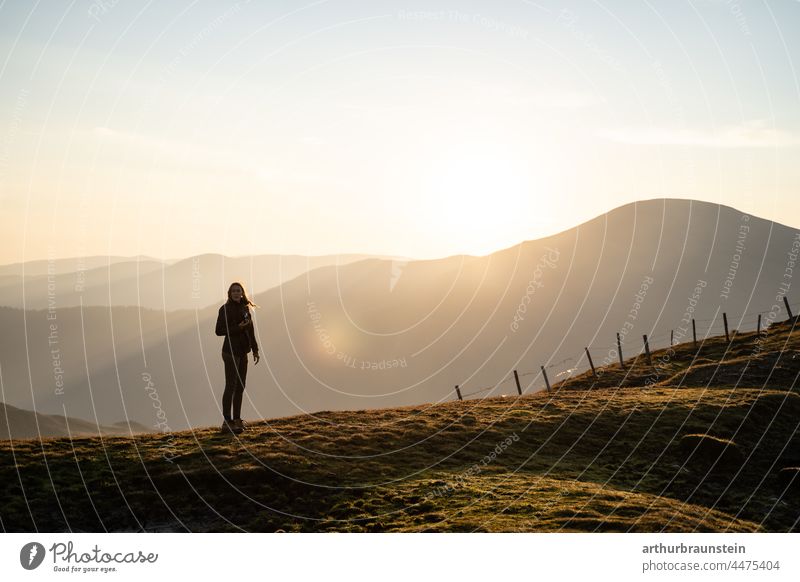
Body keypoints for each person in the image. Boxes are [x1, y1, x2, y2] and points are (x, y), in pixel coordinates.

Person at [215, 281, 260, 434]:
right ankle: (227, 422)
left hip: (243, 352)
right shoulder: (225, 309)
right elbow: (218, 331)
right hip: (230, 352)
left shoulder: (245, 308)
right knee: (230, 386)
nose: (236, 293)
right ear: (229, 293)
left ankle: (237, 420)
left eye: (238, 290)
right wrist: (237, 328)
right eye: (233, 291)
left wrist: (255, 349)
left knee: (240, 387)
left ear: (242, 293)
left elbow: (251, 330)